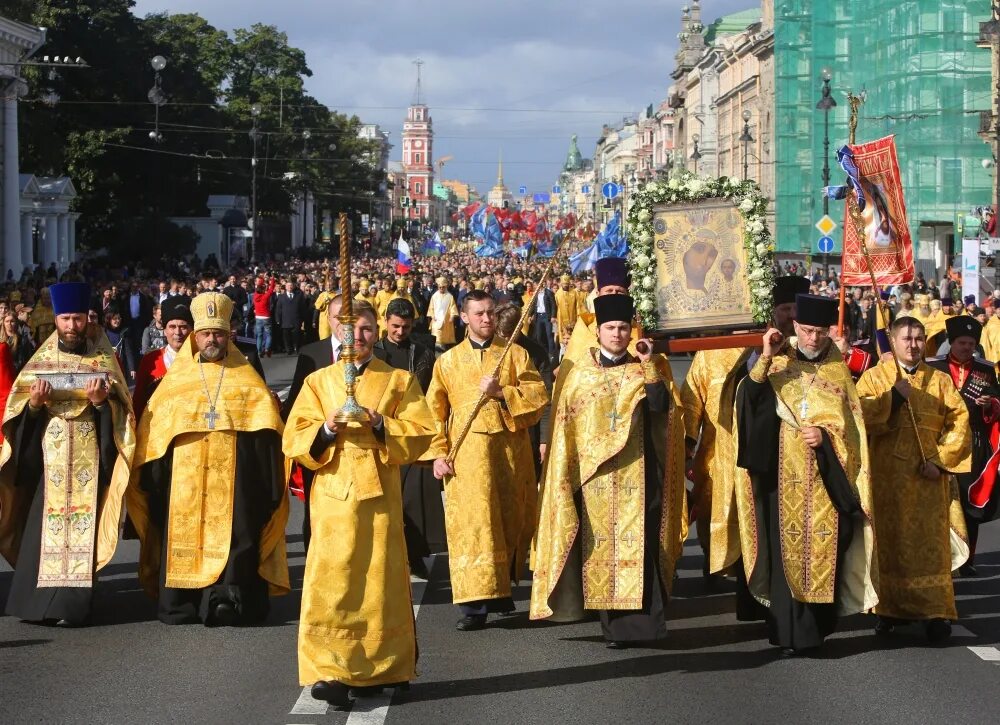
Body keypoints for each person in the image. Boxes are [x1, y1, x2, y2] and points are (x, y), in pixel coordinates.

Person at [283, 303, 437, 706]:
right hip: (333, 495)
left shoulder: (398, 380)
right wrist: (327, 428)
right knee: (332, 580)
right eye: (350, 330)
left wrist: (382, 423)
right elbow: (294, 436)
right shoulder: (319, 381)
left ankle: (384, 664)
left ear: (378, 330)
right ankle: (330, 667)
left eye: (368, 329)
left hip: (379, 496)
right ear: (336, 329)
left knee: (377, 580)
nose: (359, 338)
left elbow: (422, 432)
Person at [530, 295, 686, 648]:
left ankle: (649, 627)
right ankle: (613, 629)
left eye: (623, 328)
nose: (617, 334)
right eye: (610, 328)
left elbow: (663, 410)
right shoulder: (579, 376)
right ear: (598, 332)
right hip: (594, 479)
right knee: (599, 551)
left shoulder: (646, 367)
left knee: (640, 548)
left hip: (639, 474)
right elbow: (566, 428)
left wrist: (647, 364)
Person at [128, 292, 289, 626]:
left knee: (237, 536)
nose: (212, 339)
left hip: (236, 479)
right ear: (195, 337)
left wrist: (265, 481)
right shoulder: (176, 382)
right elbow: (156, 430)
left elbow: (265, 430)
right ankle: (183, 602)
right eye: (205, 334)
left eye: (218, 333)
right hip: (184, 481)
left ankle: (228, 601)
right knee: (183, 533)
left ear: (229, 335)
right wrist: (155, 476)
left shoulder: (247, 378)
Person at [735, 293, 877, 657]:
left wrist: (826, 438)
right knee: (783, 552)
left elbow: (853, 430)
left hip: (826, 480)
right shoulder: (777, 362)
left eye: (819, 332)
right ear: (795, 327)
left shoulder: (837, 370)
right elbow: (749, 400)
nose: (813, 338)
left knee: (824, 550)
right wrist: (765, 356)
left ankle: (815, 630)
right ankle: (785, 631)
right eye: (806, 330)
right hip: (780, 477)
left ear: (829, 331)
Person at [0, 282, 135, 626]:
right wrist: (33, 405)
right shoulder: (40, 361)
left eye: (77, 319)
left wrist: (102, 403)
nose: (72, 326)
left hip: (90, 456)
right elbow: (18, 415)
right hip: (50, 462)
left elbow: (122, 412)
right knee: (44, 530)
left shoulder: (103, 359)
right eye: (66, 319)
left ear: (87, 321)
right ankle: (39, 605)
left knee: (81, 530)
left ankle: (72, 606)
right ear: (57, 321)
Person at [681, 276, 808, 610]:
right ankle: (719, 567)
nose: (790, 315)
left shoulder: (800, 353)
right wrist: (686, 441)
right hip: (721, 449)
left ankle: (762, 594)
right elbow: (692, 396)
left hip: (775, 452)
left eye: (795, 309)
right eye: (784, 308)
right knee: (721, 513)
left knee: (763, 523)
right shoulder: (717, 352)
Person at [426, 289, 547, 630]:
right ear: (463, 317)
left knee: (507, 520)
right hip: (465, 456)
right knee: (473, 526)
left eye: (491, 313)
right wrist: (438, 452)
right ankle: (473, 607)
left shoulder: (515, 355)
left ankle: (501, 590)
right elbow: (434, 413)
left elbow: (538, 397)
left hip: (509, 452)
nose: (486, 319)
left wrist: (501, 393)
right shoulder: (446, 362)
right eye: (478, 313)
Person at [857, 317, 971, 643]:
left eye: (919, 338)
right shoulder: (874, 378)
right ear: (892, 341)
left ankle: (935, 612)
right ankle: (889, 611)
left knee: (930, 549)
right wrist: (891, 398)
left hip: (928, 481)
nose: (913, 344)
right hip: (887, 481)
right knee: (890, 546)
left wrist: (940, 462)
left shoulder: (940, 381)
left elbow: (959, 423)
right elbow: (858, 417)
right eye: (906, 338)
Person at [372, 298, 443, 578]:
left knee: (412, 499)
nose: (400, 332)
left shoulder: (423, 352)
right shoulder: (375, 353)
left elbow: (430, 391)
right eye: (395, 326)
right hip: (380, 432)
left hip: (412, 431)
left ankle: (414, 555)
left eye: (405, 327)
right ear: (385, 321)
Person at [927, 316, 1000, 576]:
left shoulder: (985, 369)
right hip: (941, 441)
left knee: (970, 502)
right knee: (940, 501)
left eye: (971, 343)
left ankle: (968, 559)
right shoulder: (933, 367)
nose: (966, 347)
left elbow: (997, 401)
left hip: (974, 442)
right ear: (951, 342)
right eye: (961, 343)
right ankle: (942, 556)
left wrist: (989, 404)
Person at [282, 293, 343, 552]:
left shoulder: (375, 353)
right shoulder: (311, 354)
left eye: (350, 318)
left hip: (356, 449)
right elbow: (296, 402)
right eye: (338, 318)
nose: (344, 324)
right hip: (317, 445)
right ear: (328, 319)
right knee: (315, 511)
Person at [132, 297, 194, 419]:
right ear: (164, 330)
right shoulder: (150, 360)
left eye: (183, 327)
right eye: (172, 327)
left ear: (192, 330)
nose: (178, 332)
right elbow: (138, 402)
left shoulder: (199, 360)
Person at [428, 276, 460, 351]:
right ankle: (437, 348)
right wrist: (432, 316)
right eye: (440, 287)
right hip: (436, 319)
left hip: (446, 320)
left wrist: (452, 316)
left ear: (446, 287)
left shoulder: (450, 296)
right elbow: (431, 307)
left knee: (445, 335)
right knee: (437, 335)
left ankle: (444, 348)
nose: (441, 289)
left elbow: (452, 307)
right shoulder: (434, 296)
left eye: (443, 287)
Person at [275, 281, 305, 355]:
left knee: (296, 336)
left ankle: (296, 348)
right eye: (288, 286)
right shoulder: (281, 297)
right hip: (285, 320)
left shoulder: (298, 296)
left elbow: (302, 308)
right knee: (286, 336)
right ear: (285, 287)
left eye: (291, 285)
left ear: (293, 286)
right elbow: (278, 309)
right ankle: (288, 349)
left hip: (296, 320)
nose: (290, 287)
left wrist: (302, 319)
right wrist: (278, 319)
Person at [554, 274, 580, 353]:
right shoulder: (557, 294)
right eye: (564, 284)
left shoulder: (574, 293)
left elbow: (578, 307)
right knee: (564, 342)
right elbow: (557, 309)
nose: (565, 286)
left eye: (567, 284)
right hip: (562, 321)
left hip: (574, 320)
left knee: (575, 341)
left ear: (569, 284)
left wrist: (579, 319)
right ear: (561, 284)